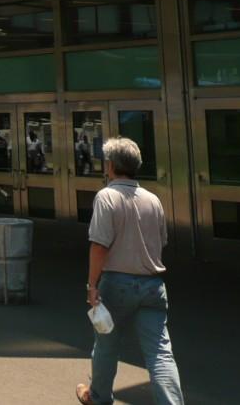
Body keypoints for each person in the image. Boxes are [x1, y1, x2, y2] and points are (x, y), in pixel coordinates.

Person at [76, 137, 183, 405]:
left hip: (117, 283)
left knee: (107, 345)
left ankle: (98, 397)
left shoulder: (107, 196)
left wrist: (92, 285)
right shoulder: (153, 200)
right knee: (160, 353)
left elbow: (99, 245)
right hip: (152, 285)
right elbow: (162, 241)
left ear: (110, 165)